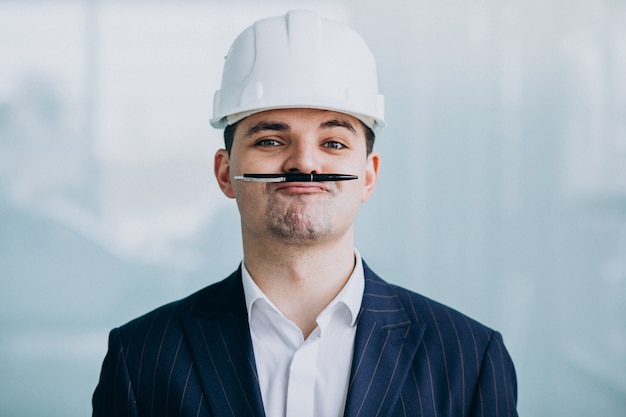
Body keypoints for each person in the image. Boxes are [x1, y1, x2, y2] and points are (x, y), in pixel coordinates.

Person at [93, 10, 518, 417]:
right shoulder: (141, 357)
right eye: (271, 142)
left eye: (333, 143)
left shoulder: (469, 359)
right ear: (225, 173)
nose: (304, 164)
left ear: (368, 176)